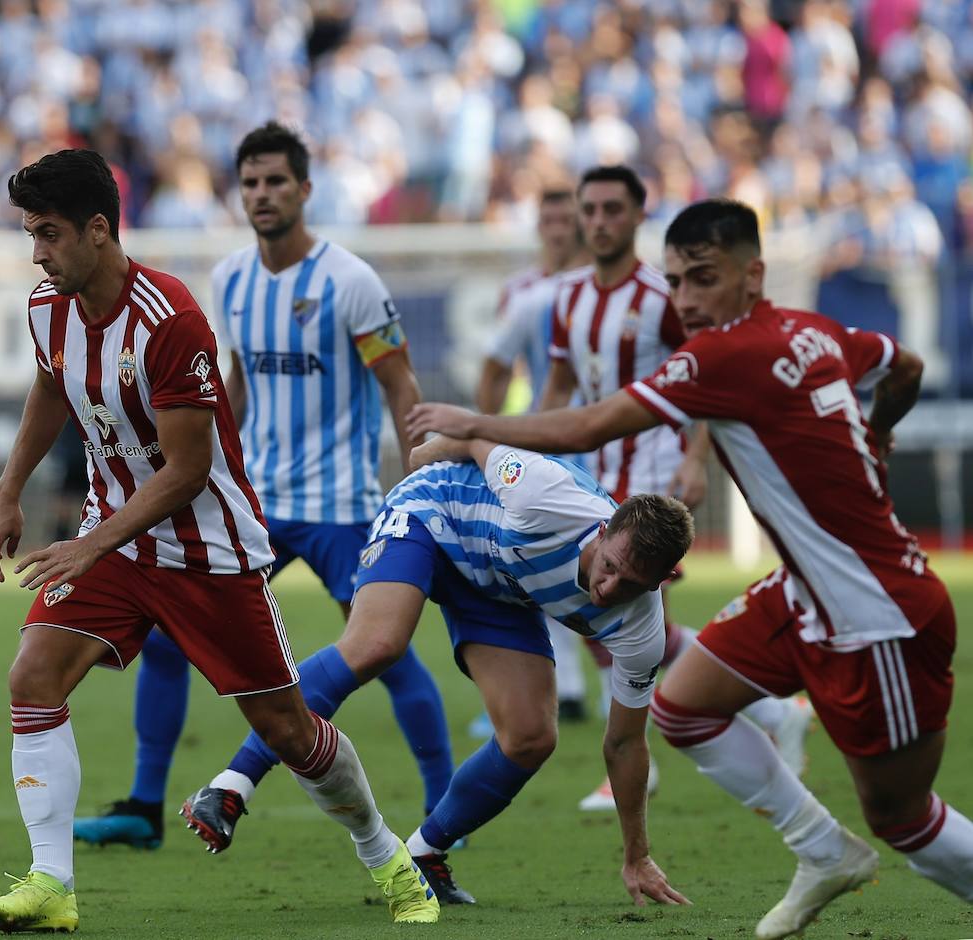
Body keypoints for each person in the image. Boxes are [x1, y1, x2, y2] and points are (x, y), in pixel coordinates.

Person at [407, 198, 970, 939]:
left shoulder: (720, 355)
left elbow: (587, 423)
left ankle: (849, 842)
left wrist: (473, 424)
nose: (688, 300)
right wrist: (876, 434)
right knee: (683, 707)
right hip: (802, 589)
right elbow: (904, 365)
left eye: (704, 278)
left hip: (875, 609)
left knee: (900, 814)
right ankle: (821, 848)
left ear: (752, 273)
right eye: (676, 282)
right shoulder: (818, 329)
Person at [0, 150, 440, 933]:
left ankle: (387, 855)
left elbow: (188, 472)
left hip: (206, 550)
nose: (36, 253)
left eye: (48, 234)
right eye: (30, 234)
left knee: (287, 729)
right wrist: (8, 492)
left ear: (97, 229)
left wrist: (87, 545)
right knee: (33, 677)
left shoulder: (171, 317)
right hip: (116, 542)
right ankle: (51, 884)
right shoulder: (47, 307)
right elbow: (53, 383)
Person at [73, 122, 453, 851]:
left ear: (305, 190)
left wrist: (420, 485)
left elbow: (402, 388)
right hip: (259, 506)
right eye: (250, 182)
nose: (262, 194)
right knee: (164, 640)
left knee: (388, 653)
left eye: (276, 181)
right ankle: (144, 807)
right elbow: (232, 389)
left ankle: (443, 812)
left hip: (341, 506)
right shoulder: (233, 278)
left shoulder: (352, 282)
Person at [184, 442, 694, 910]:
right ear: (604, 530)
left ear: (664, 581)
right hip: (433, 513)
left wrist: (637, 855)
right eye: (610, 566)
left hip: (497, 587)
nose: (609, 588)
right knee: (377, 645)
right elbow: (476, 440)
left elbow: (626, 744)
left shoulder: (640, 627)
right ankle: (230, 786)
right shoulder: (546, 491)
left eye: (633, 584)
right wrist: (434, 445)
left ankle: (424, 855)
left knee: (531, 737)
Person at [540, 165, 810, 811]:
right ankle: (771, 713)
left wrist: (695, 457)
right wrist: (529, 444)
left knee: (611, 608)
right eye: (591, 208)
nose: (600, 220)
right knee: (603, 612)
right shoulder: (569, 296)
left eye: (613, 208)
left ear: (638, 216)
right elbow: (559, 389)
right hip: (591, 474)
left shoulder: (665, 294)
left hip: (651, 468)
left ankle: (640, 758)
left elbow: (709, 376)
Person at [473, 185, 593, 729]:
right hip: (555, 441)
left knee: (615, 571)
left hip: (615, 443)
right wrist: (484, 441)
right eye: (549, 219)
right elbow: (502, 368)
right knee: (548, 559)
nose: (558, 228)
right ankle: (566, 688)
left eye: (567, 219)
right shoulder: (524, 292)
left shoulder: (610, 288)